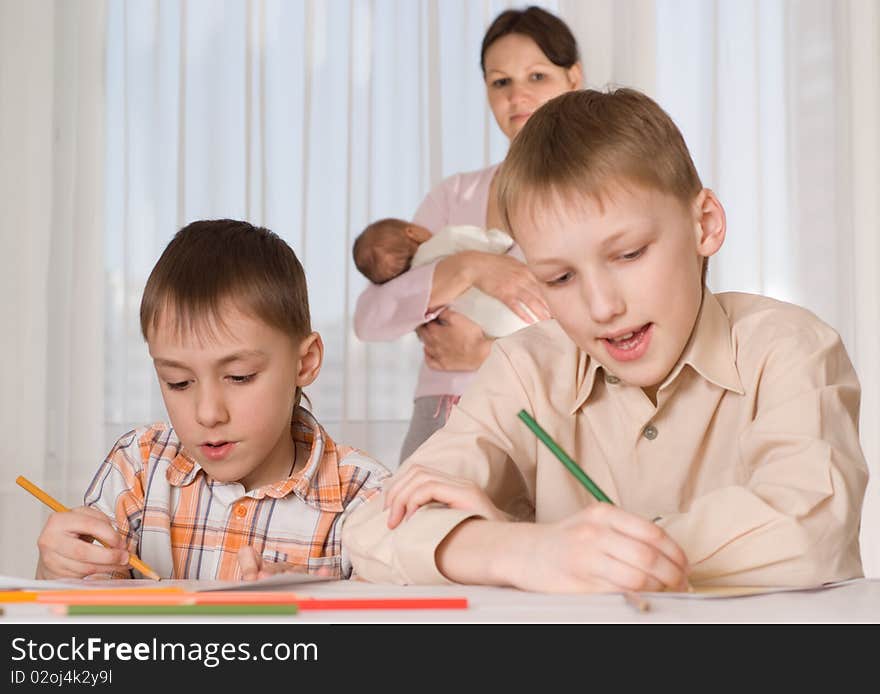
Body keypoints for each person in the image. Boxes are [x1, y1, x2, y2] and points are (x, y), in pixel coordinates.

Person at [342, 88, 869, 592]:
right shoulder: (525, 369)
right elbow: (371, 529)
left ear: (704, 223)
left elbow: (808, 528)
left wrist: (586, 550)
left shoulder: (788, 347)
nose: (602, 307)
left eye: (630, 254)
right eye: (559, 278)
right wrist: (528, 551)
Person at [35, 219, 390, 581]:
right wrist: (56, 570)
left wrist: (314, 607)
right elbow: (80, 622)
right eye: (179, 382)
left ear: (306, 362)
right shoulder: (137, 468)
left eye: (240, 377)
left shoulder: (365, 499)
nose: (207, 414)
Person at [354, 6, 582, 463]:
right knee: (419, 532)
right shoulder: (454, 196)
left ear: (572, 79)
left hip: (553, 420)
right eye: (501, 82)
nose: (518, 95)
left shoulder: (598, 197)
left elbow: (610, 333)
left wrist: (488, 353)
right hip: (443, 417)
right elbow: (371, 317)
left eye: (537, 76)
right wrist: (469, 267)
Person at [352, 217, 532, 337]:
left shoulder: (420, 284)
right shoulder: (447, 238)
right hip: (515, 302)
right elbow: (497, 242)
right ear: (412, 232)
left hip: (496, 328)